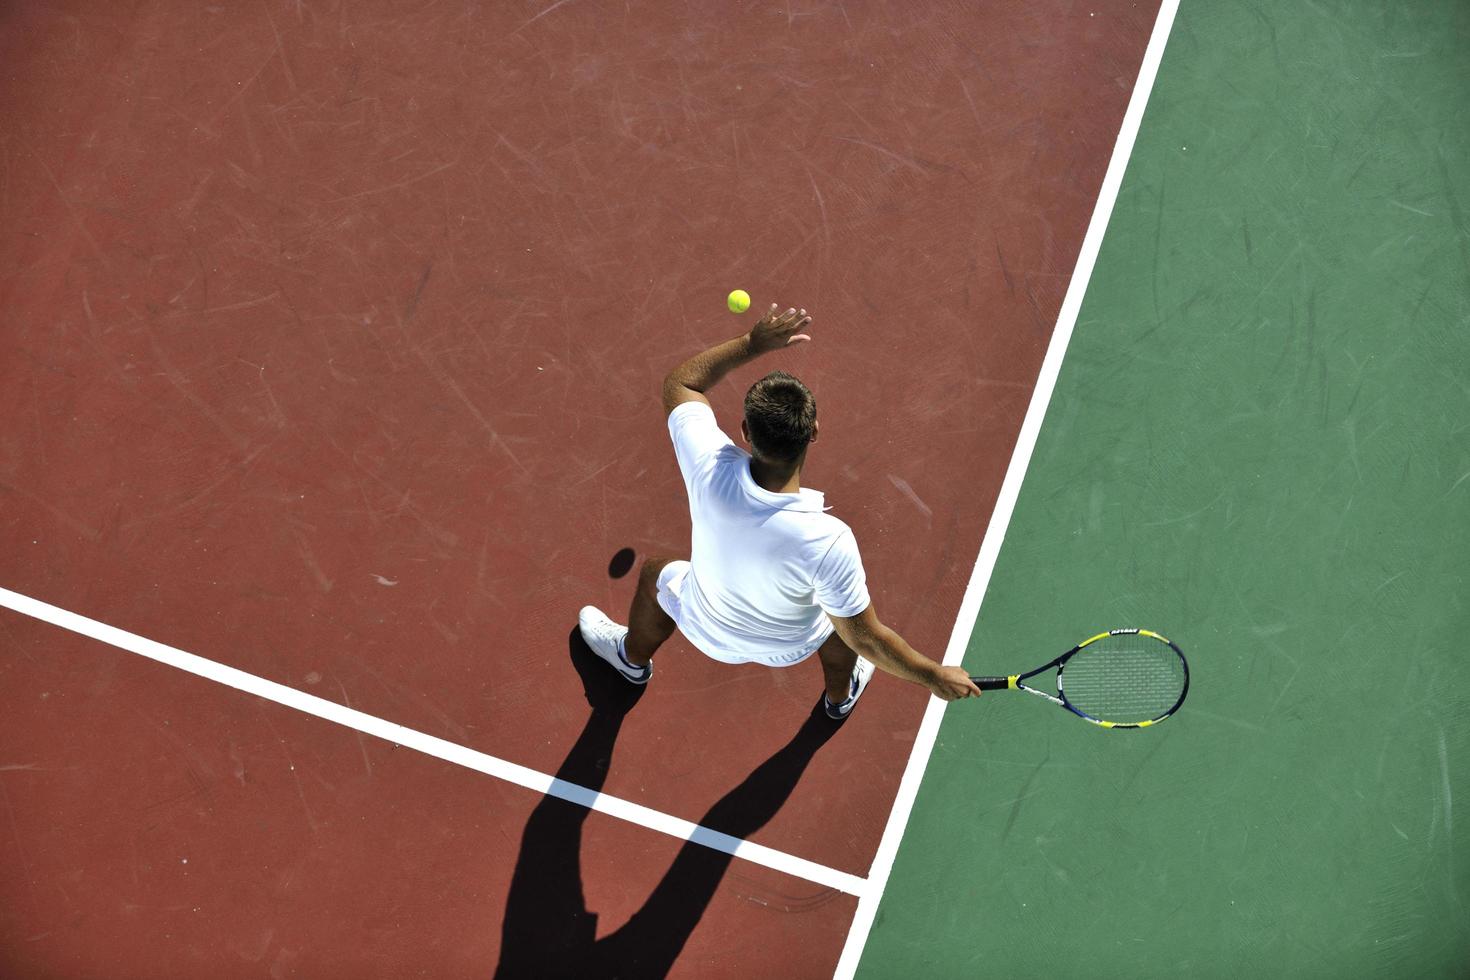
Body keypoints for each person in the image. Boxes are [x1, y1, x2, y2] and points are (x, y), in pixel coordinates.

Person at [579, 304, 981, 719]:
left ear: (745, 432)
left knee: (655, 575)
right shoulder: (831, 540)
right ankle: (839, 698)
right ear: (815, 432)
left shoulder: (711, 468)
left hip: (706, 627)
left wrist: (752, 344)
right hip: (790, 648)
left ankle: (631, 659)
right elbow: (871, 641)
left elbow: (681, 384)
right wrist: (933, 675)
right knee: (845, 621)